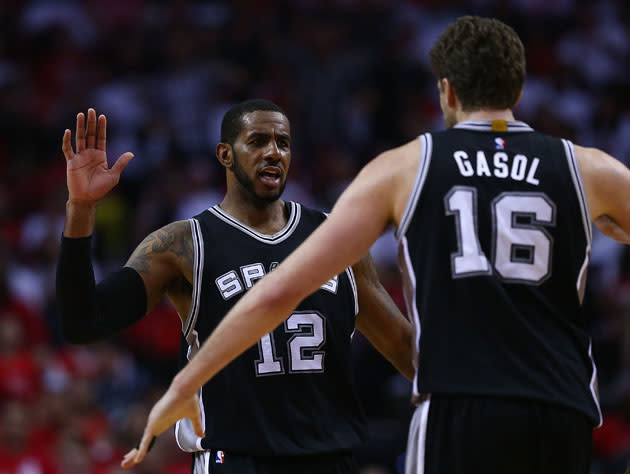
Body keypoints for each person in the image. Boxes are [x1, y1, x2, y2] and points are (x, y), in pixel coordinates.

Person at [125, 16, 630, 474]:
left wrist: (185, 385)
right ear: (518, 87)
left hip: (459, 401)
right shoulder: (589, 168)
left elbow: (280, 292)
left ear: (447, 92)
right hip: (563, 404)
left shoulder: (405, 167)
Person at [56, 99, 415, 474]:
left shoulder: (338, 238)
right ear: (225, 154)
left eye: (283, 142)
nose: (273, 152)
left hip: (330, 459)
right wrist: (81, 208)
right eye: (257, 141)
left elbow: (404, 347)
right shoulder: (184, 244)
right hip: (235, 461)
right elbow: (83, 321)